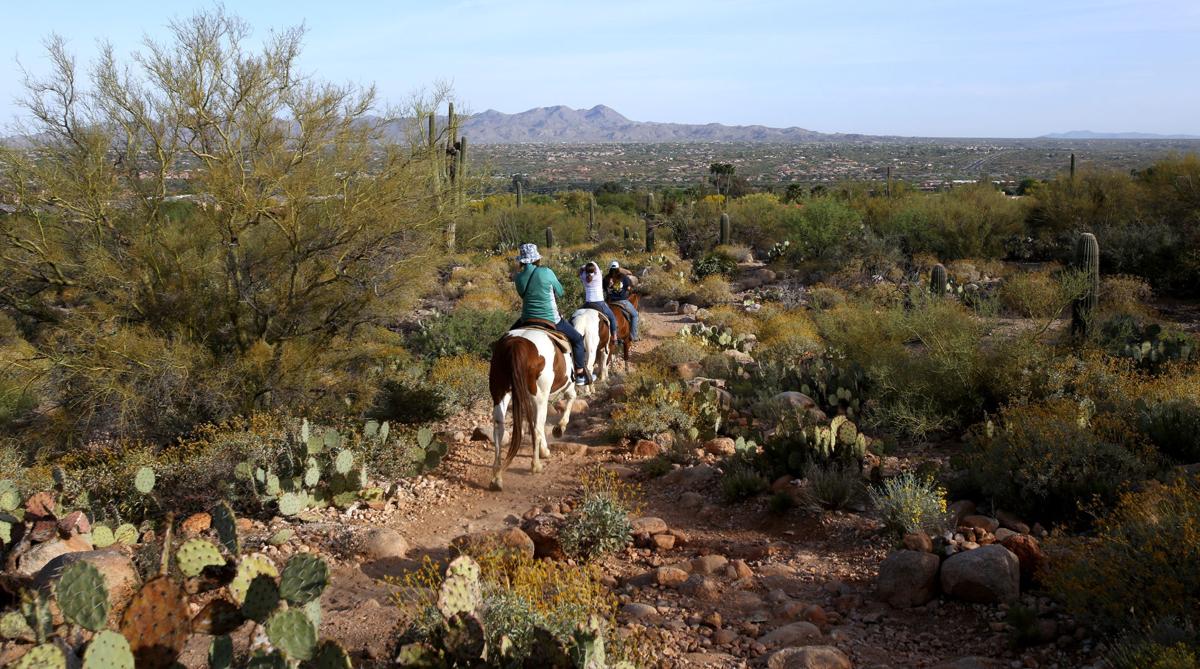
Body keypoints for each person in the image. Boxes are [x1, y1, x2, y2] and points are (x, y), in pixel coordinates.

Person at [513, 243, 589, 385]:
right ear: (536, 259)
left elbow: (523, 296)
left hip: (526, 319)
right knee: (577, 340)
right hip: (551, 319)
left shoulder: (518, 277)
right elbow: (560, 292)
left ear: (522, 260)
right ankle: (579, 374)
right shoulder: (546, 272)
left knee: (508, 337)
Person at [578, 261, 619, 337]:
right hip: (599, 303)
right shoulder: (598, 275)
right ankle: (615, 337)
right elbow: (593, 263)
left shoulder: (583, 276)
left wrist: (584, 268)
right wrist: (587, 266)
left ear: (586, 270)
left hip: (588, 303)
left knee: (575, 315)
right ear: (595, 270)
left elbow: (581, 269)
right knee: (612, 318)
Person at [605, 260, 640, 341]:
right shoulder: (623, 277)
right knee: (634, 315)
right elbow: (628, 288)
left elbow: (605, 289)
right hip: (622, 301)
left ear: (610, 268)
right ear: (618, 268)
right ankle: (633, 335)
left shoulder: (606, 278)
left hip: (608, 302)